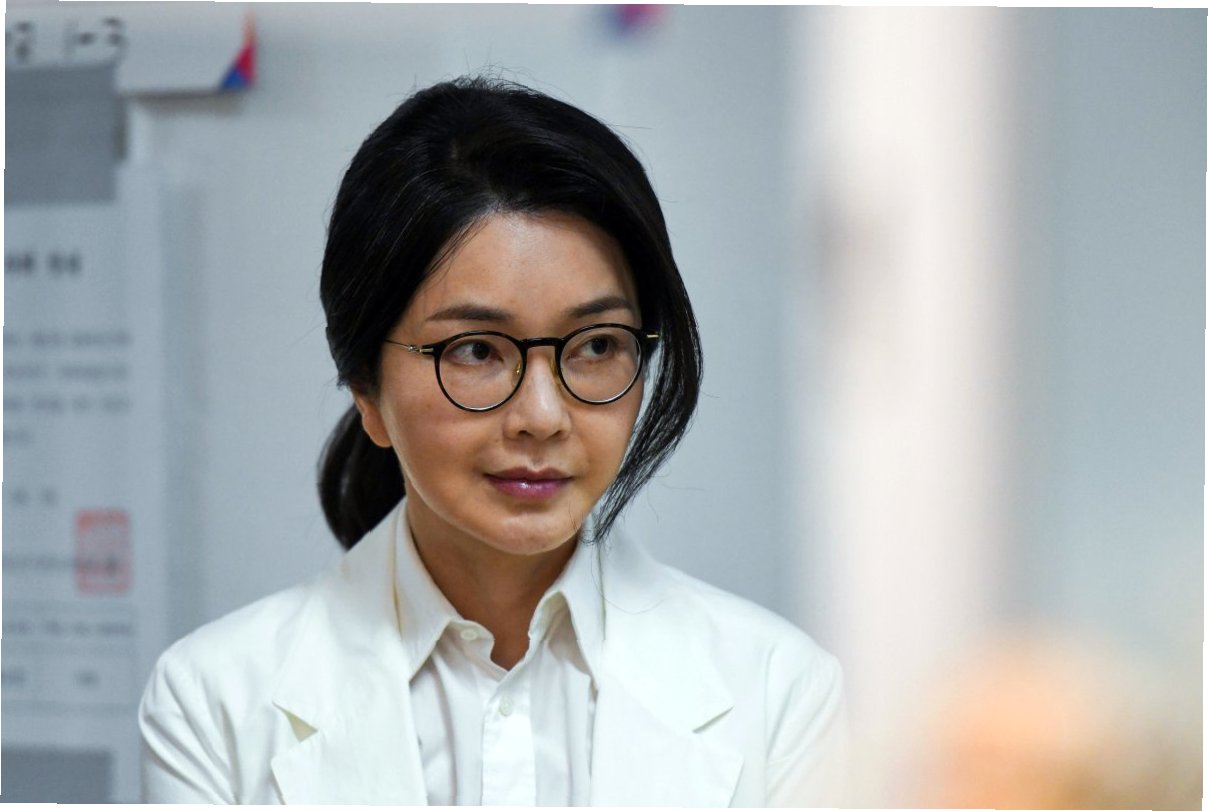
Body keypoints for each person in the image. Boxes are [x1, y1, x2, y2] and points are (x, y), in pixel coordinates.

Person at [138, 75, 846, 806]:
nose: (542, 415)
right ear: (366, 390)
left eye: (597, 345)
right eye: (476, 350)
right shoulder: (213, 703)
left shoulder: (778, 692)